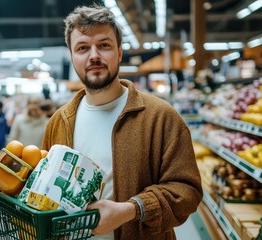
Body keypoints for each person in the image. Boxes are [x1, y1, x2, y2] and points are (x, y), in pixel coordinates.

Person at [41, 5, 202, 240]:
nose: (94, 55)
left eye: (104, 45)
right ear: (73, 57)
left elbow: (187, 192)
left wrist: (132, 210)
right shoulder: (58, 122)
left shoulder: (160, 117)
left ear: (119, 52)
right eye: (83, 48)